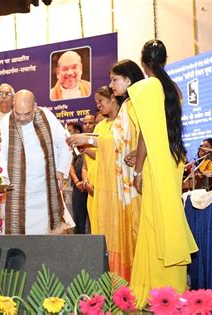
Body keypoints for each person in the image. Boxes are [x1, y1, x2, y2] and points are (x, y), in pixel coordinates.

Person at [128, 39, 198, 309]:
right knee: (170, 220)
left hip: (155, 164)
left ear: (144, 64)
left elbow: (146, 133)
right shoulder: (175, 89)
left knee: (154, 225)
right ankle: (174, 288)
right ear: (165, 60)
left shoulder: (144, 88)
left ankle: (155, 291)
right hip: (171, 161)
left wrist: (137, 167)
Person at [68, 63, 144, 282]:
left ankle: (130, 281)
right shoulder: (127, 108)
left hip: (127, 185)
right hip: (108, 185)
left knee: (129, 230)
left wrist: (88, 140)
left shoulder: (132, 106)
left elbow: (126, 140)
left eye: (114, 80)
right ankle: (113, 278)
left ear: (128, 80)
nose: (111, 86)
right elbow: (120, 144)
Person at [0, 89, 72, 234]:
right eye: (17, 113)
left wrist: (61, 170)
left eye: (27, 114)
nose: (21, 118)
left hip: (45, 189)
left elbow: (64, 143)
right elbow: (0, 153)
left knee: (44, 235)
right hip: (16, 189)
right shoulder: (5, 122)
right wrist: (2, 179)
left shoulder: (47, 116)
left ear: (35, 106)